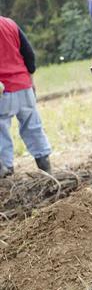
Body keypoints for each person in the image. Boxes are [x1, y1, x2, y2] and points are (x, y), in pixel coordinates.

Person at [0, 16, 52, 177]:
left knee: (1, 131)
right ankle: (46, 170)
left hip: (3, 90)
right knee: (33, 127)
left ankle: (7, 173)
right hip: (24, 85)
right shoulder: (9, 23)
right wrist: (30, 78)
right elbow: (29, 54)